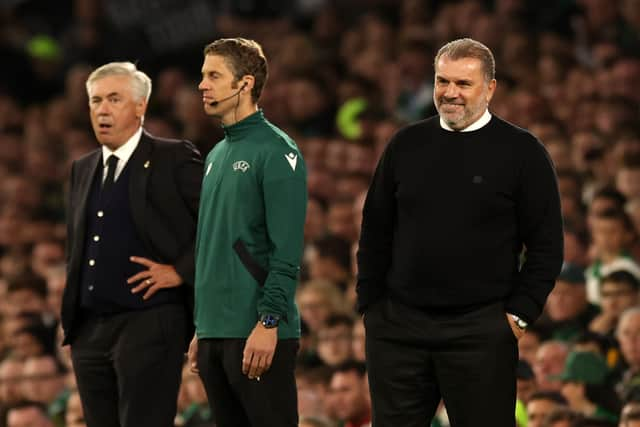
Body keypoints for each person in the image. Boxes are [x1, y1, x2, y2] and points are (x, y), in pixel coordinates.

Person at [357, 38, 564, 426]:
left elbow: (547, 245)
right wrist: (371, 305)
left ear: (490, 88)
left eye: (463, 84)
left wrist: (518, 316)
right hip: (398, 328)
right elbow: (375, 230)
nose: (449, 93)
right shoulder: (405, 144)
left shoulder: (523, 152)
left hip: (481, 330)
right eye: (442, 81)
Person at [61, 62, 203, 427]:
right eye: (95, 101)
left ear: (140, 106)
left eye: (114, 99)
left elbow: (218, 226)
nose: (102, 110)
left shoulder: (173, 157)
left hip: (149, 319)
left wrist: (180, 271)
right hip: (90, 329)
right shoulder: (83, 167)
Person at [188, 38, 307, 427]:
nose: (202, 85)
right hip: (215, 332)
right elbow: (213, 247)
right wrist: (202, 328)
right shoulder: (216, 154)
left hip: (257, 332)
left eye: (214, 75)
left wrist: (269, 322)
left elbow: (286, 251)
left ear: (245, 83)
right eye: (203, 75)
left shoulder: (276, 151)